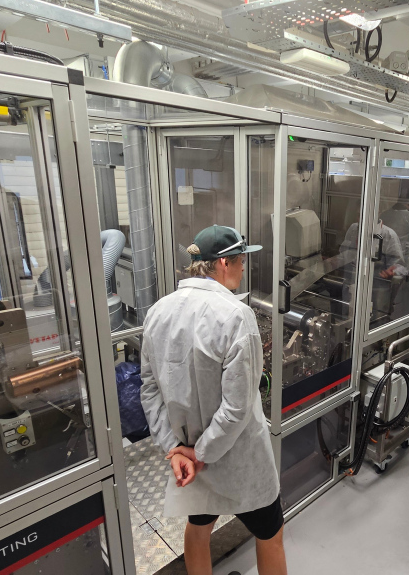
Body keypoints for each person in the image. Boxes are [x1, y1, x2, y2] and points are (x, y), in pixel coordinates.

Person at [140, 225, 287, 575]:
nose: (242, 269)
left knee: (199, 528)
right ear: (223, 263)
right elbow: (237, 408)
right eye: (240, 262)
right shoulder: (237, 316)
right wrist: (202, 454)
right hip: (238, 459)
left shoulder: (158, 311)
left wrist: (176, 449)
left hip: (189, 455)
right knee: (270, 535)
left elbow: (149, 388)